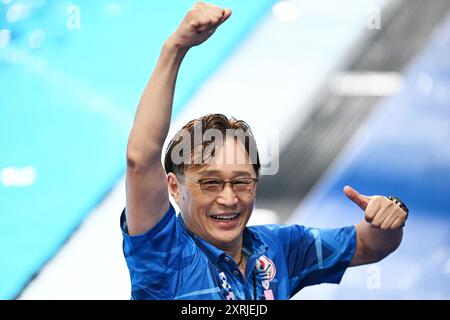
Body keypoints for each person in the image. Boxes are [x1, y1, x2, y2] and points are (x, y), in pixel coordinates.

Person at [121, 2, 409, 300]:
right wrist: (175, 48)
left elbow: (369, 245)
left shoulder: (280, 247)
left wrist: (386, 221)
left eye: (242, 182)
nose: (230, 198)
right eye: (211, 183)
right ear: (174, 186)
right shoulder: (167, 258)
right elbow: (140, 160)